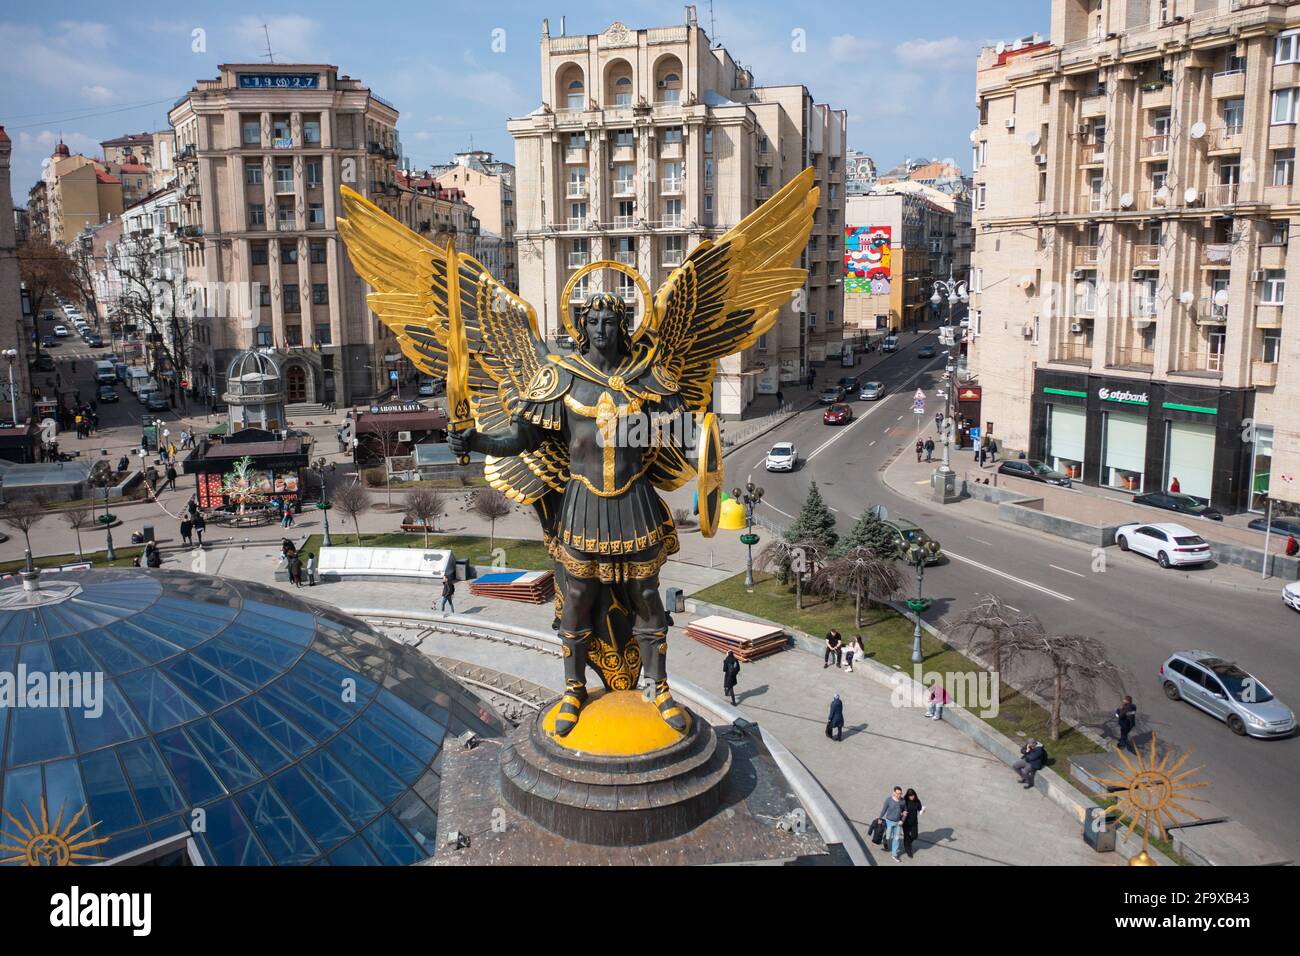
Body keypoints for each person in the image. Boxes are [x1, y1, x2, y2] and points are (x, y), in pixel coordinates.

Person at [878, 786, 906, 862]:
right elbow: (884, 809)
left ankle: (894, 854)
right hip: (889, 822)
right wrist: (880, 818)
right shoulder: (888, 800)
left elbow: (905, 812)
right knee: (888, 837)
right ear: (893, 793)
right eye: (897, 793)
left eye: (900, 794)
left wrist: (902, 820)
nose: (899, 795)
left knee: (896, 839)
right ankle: (884, 840)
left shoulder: (903, 801)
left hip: (898, 823)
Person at [901, 788, 925, 858]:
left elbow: (920, 809)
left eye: (913, 795)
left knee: (915, 836)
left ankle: (907, 844)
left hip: (914, 822)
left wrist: (922, 811)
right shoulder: (904, 801)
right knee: (907, 835)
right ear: (907, 796)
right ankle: (909, 851)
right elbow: (900, 810)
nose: (912, 797)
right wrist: (902, 813)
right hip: (906, 822)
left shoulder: (917, 801)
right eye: (910, 796)